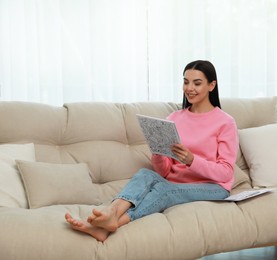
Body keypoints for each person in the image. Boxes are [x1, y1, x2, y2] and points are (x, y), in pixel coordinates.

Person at [65, 60, 239, 242]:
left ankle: (114, 223)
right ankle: (111, 212)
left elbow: (225, 172)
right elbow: (164, 172)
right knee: (144, 174)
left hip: (213, 187)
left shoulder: (225, 122)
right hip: (175, 182)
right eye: (186, 82)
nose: (189, 88)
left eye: (197, 83)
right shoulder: (175, 118)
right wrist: (158, 152)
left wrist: (191, 160)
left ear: (212, 85)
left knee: (164, 190)